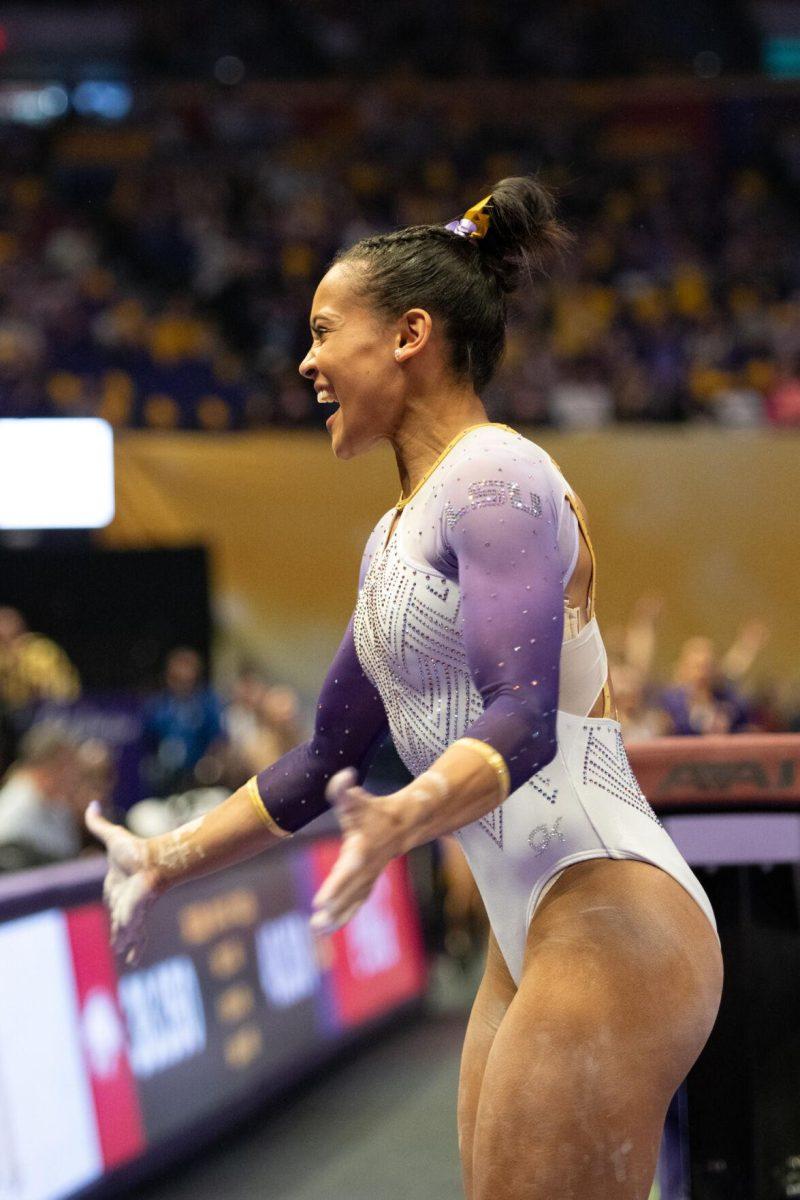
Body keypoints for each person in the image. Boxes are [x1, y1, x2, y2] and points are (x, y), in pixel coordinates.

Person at [87, 178, 723, 1200]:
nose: (304, 362)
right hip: (531, 930)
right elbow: (320, 761)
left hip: (608, 908)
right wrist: (164, 858)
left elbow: (522, 724)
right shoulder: (394, 537)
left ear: (408, 335)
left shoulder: (496, 479)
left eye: (324, 331)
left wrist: (403, 817)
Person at [141, 646, 225, 795]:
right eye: (177, 675)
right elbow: (147, 744)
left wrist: (209, 764)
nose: (183, 676)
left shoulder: (208, 704)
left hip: (200, 780)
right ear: (168, 675)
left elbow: (217, 741)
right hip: (164, 782)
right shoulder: (157, 706)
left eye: (188, 669)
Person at [0, 721, 82, 870]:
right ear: (45, 765)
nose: (74, 776)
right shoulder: (14, 810)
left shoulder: (59, 806)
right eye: (67, 766)